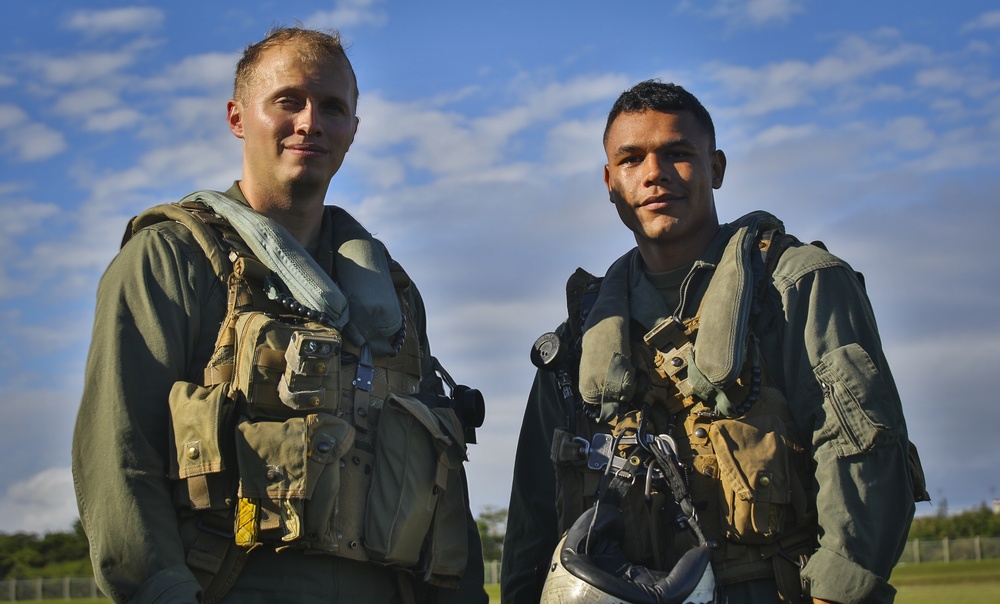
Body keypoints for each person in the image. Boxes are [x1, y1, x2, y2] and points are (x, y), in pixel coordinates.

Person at [72, 27, 488, 604]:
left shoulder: (391, 293)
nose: (310, 122)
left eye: (333, 108)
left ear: (352, 133)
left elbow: (441, 481)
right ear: (238, 117)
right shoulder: (173, 260)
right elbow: (119, 456)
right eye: (288, 100)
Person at [501, 80, 927, 604]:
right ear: (610, 181)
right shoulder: (581, 338)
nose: (654, 173)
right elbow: (534, 514)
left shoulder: (796, 287)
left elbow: (862, 452)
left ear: (716, 167)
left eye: (677, 154)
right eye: (632, 160)